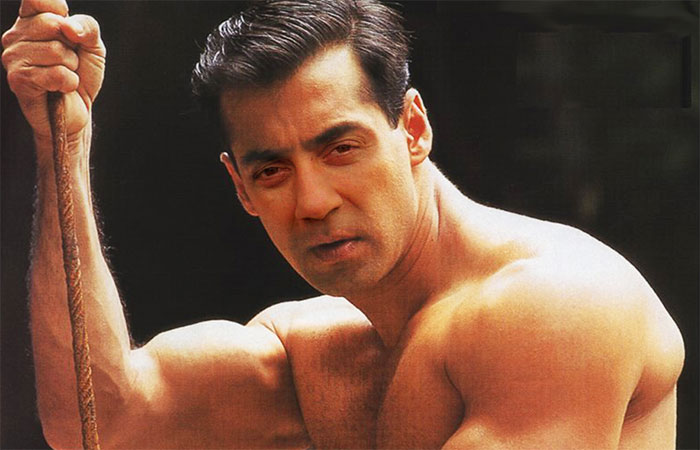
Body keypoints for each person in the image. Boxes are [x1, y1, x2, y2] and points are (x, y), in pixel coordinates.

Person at [1, 0, 685, 447]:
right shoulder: (311, 351)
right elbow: (97, 422)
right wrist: (64, 145)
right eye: (273, 170)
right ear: (240, 187)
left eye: (340, 149)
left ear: (412, 128)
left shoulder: (553, 305)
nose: (313, 201)